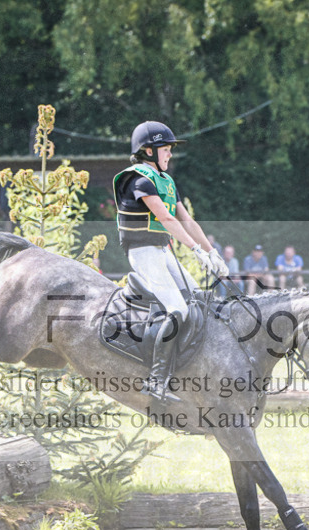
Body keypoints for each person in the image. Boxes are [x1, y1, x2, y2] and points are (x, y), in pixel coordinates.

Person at [112, 120, 228, 402]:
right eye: (166, 149)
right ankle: (156, 380)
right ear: (148, 151)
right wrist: (194, 251)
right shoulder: (138, 180)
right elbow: (165, 218)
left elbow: (186, 219)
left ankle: (189, 368)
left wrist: (211, 252)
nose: (170, 154)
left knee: (199, 301)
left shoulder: (166, 181)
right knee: (177, 310)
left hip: (163, 251)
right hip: (143, 253)